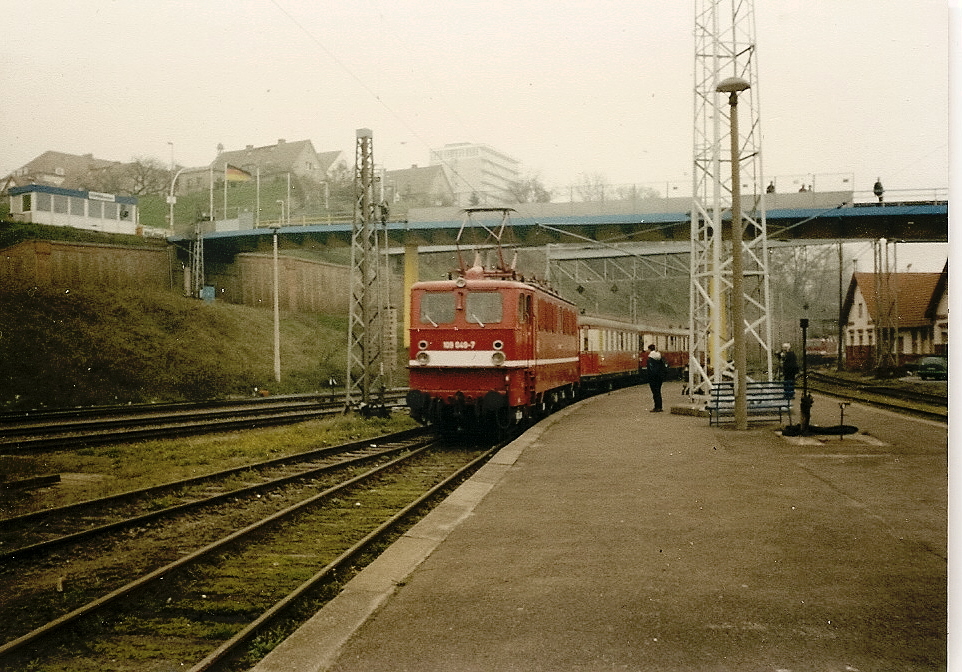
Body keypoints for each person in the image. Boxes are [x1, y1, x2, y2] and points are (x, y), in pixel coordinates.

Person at [646, 343, 667, 412]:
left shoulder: (650, 358)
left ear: (649, 349)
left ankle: (657, 407)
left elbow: (650, 369)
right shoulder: (659, 356)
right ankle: (659, 406)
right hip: (660, 377)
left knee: (655, 393)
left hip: (653, 378)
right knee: (658, 392)